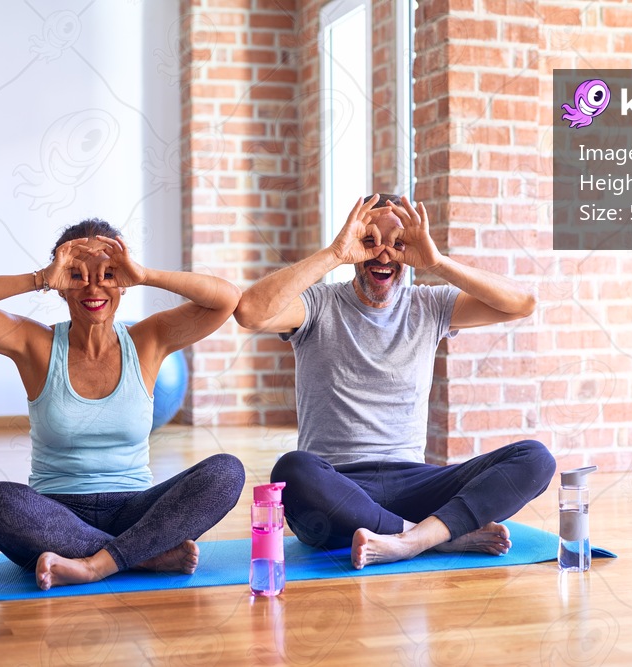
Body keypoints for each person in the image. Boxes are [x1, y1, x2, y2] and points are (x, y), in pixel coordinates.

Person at [234, 194, 556, 569]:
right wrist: (334, 254)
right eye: (369, 241)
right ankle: (434, 539)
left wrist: (436, 262)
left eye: (398, 244)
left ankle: (410, 540)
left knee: (535, 459)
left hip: (415, 483)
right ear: (352, 242)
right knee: (292, 471)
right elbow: (249, 311)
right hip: (337, 488)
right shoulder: (317, 305)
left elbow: (523, 303)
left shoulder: (430, 305)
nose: (384, 255)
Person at [0, 218, 245, 590]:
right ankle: (142, 557)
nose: (93, 287)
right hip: (56, 516)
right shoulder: (37, 345)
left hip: (135, 510)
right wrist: (40, 277)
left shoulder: (148, 340)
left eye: (108, 274)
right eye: (77, 275)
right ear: (61, 287)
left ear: (123, 283)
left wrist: (144, 274)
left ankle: (94, 565)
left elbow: (227, 299)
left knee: (226, 472)